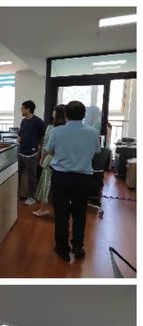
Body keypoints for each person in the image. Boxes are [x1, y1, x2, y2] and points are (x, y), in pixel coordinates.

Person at [44, 100, 101, 262]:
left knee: (61, 214)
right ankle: (78, 246)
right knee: (79, 214)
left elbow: (48, 150)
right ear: (84, 115)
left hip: (61, 177)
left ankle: (62, 249)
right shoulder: (92, 132)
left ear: (66, 114)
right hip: (83, 178)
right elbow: (97, 150)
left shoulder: (57, 131)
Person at [33, 105, 66, 218]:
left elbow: (46, 145)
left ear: (57, 114)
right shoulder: (67, 129)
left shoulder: (51, 128)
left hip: (51, 159)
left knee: (45, 184)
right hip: (63, 161)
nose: (52, 113)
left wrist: (42, 157)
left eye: (54, 111)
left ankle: (43, 209)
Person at [17, 100, 46, 206]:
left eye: (22, 108)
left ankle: (31, 197)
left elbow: (45, 134)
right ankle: (17, 194)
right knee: (17, 174)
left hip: (32, 154)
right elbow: (20, 135)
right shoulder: (24, 121)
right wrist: (18, 141)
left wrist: (40, 145)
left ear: (28, 109)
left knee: (32, 177)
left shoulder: (38, 121)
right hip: (21, 152)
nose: (21, 110)